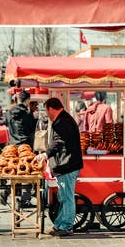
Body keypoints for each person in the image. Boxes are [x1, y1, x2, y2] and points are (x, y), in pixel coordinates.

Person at [35, 97, 83, 237]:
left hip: (67, 165)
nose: (46, 114)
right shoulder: (62, 119)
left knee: (67, 197)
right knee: (63, 197)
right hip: (64, 165)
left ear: (51, 109)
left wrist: (46, 154)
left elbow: (58, 141)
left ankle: (66, 226)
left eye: (46, 110)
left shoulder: (63, 122)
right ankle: (59, 225)